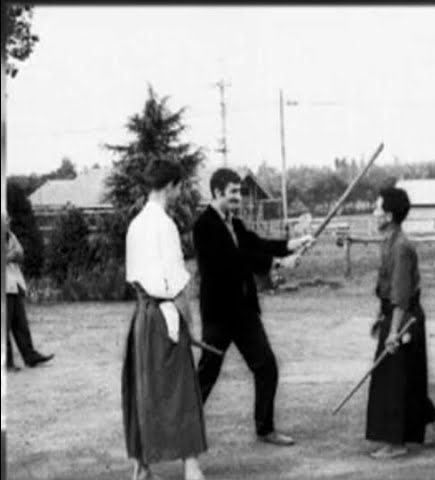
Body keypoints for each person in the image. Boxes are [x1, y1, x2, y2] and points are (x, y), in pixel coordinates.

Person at [193, 168, 313, 446]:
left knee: (266, 366)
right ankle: (181, 429)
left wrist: (294, 244)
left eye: (239, 192)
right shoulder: (204, 226)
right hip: (218, 315)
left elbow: (257, 244)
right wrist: (279, 263)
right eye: (233, 192)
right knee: (206, 376)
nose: (239, 197)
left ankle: (265, 428)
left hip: (244, 312)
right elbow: (234, 259)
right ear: (217, 193)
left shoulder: (234, 223)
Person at [122, 159, 207, 480]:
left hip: (142, 320)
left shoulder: (136, 224)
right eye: (180, 185)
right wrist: (189, 328)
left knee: (145, 390)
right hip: (164, 316)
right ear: (171, 186)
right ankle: (191, 467)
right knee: (180, 391)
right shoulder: (164, 225)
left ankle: (141, 467)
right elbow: (177, 286)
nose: (180, 191)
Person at [366, 187, 435, 459]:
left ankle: (396, 443)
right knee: (407, 378)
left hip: (405, 320)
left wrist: (393, 332)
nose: (374, 212)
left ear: (389, 215)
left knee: (393, 380)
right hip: (395, 316)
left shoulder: (401, 247)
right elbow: (387, 288)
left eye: (377, 208)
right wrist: (381, 318)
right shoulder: (388, 241)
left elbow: (401, 296)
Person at [5, 220, 54, 372]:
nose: (8, 222)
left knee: (21, 324)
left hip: (14, 283)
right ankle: (7, 362)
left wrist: (11, 255)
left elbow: (20, 253)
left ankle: (30, 356)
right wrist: (10, 255)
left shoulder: (10, 236)